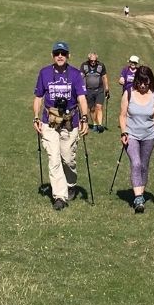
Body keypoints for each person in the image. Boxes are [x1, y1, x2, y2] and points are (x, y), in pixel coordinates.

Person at [32, 41, 90, 211]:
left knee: (68, 158)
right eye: (57, 53)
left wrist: (84, 118)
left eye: (63, 53)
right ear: (52, 55)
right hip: (49, 121)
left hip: (70, 122)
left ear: (68, 56)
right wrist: (36, 118)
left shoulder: (76, 74)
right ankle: (59, 196)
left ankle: (70, 184)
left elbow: (82, 98)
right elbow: (38, 97)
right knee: (54, 158)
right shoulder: (44, 73)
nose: (60, 56)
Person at [118, 65, 154, 213]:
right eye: (140, 82)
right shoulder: (128, 94)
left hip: (149, 136)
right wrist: (124, 132)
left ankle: (140, 194)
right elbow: (122, 116)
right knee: (136, 163)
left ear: (151, 81)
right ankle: (138, 198)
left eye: (146, 82)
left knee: (144, 165)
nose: (143, 86)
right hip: (131, 134)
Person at [80, 52, 109, 132]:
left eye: (94, 61)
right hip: (89, 90)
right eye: (91, 60)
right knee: (92, 109)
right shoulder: (84, 65)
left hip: (99, 90)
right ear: (88, 59)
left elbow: (104, 77)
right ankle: (95, 124)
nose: (93, 62)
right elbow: (81, 76)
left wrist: (107, 88)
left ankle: (100, 125)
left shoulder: (101, 66)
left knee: (99, 107)